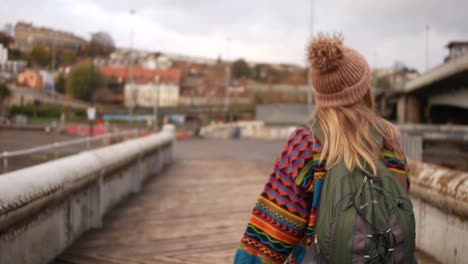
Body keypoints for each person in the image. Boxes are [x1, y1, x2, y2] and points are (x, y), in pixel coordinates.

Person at [233, 34, 414, 264]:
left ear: (320, 92)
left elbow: (271, 233)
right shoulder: (391, 140)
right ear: (365, 88)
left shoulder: (307, 143)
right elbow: (399, 210)